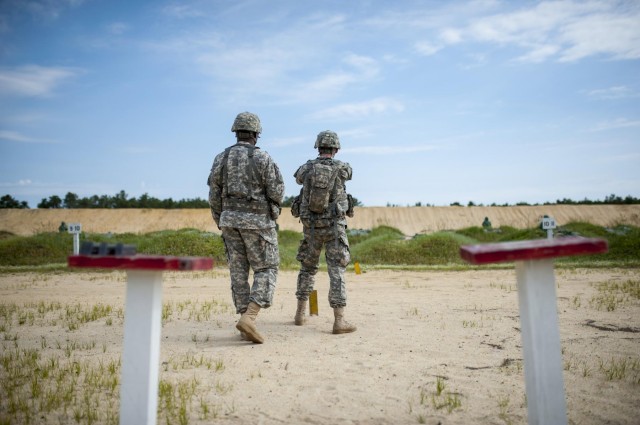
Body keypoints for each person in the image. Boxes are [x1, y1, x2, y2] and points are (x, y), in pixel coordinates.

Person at [207, 112, 284, 344]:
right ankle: (250, 317)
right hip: (258, 223)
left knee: (238, 272)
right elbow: (277, 192)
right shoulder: (263, 159)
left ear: (236, 132)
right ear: (256, 134)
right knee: (267, 268)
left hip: (229, 222)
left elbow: (213, 194)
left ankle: (244, 319)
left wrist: (221, 219)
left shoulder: (221, 157)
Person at [291, 130, 356, 334]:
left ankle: (301, 315)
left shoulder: (306, 168)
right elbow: (350, 175)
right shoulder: (343, 168)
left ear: (317, 147)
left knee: (307, 269)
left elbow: (298, 179)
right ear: (336, 148)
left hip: (311, 228)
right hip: (334, 229)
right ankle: (339, 320)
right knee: (336, 271)